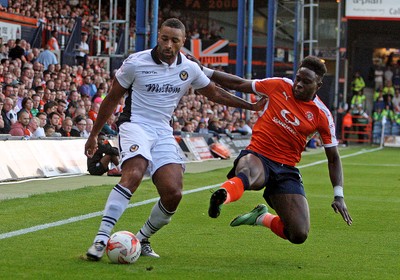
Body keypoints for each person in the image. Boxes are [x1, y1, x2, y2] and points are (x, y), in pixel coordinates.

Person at [84, 18, 266, 261]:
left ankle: (142, 238)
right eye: (165, 38)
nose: (168, 45)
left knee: (173, 193)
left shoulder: (189, 68)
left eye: (175, 41)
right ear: (158, 36)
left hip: (162, 131)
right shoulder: (136, 63)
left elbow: (214, 92)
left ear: (183, 42)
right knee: (134, 173)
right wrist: (94, 134)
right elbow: (111, 98)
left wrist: (250, 106)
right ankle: (101, 238)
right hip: (134, 124)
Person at [197, 56, 352, 246]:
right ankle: (223, 197)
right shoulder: (279, 85)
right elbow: (239, 83)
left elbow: (333, 158)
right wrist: (204, 70)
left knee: (298, 234)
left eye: (306, 82)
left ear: (318, 85)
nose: (298, 85)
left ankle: (261, 218)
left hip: (286, 168)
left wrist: (339, 195)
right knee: (250, 175)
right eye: (298, 78)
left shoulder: (322, 115)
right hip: (259, 154)